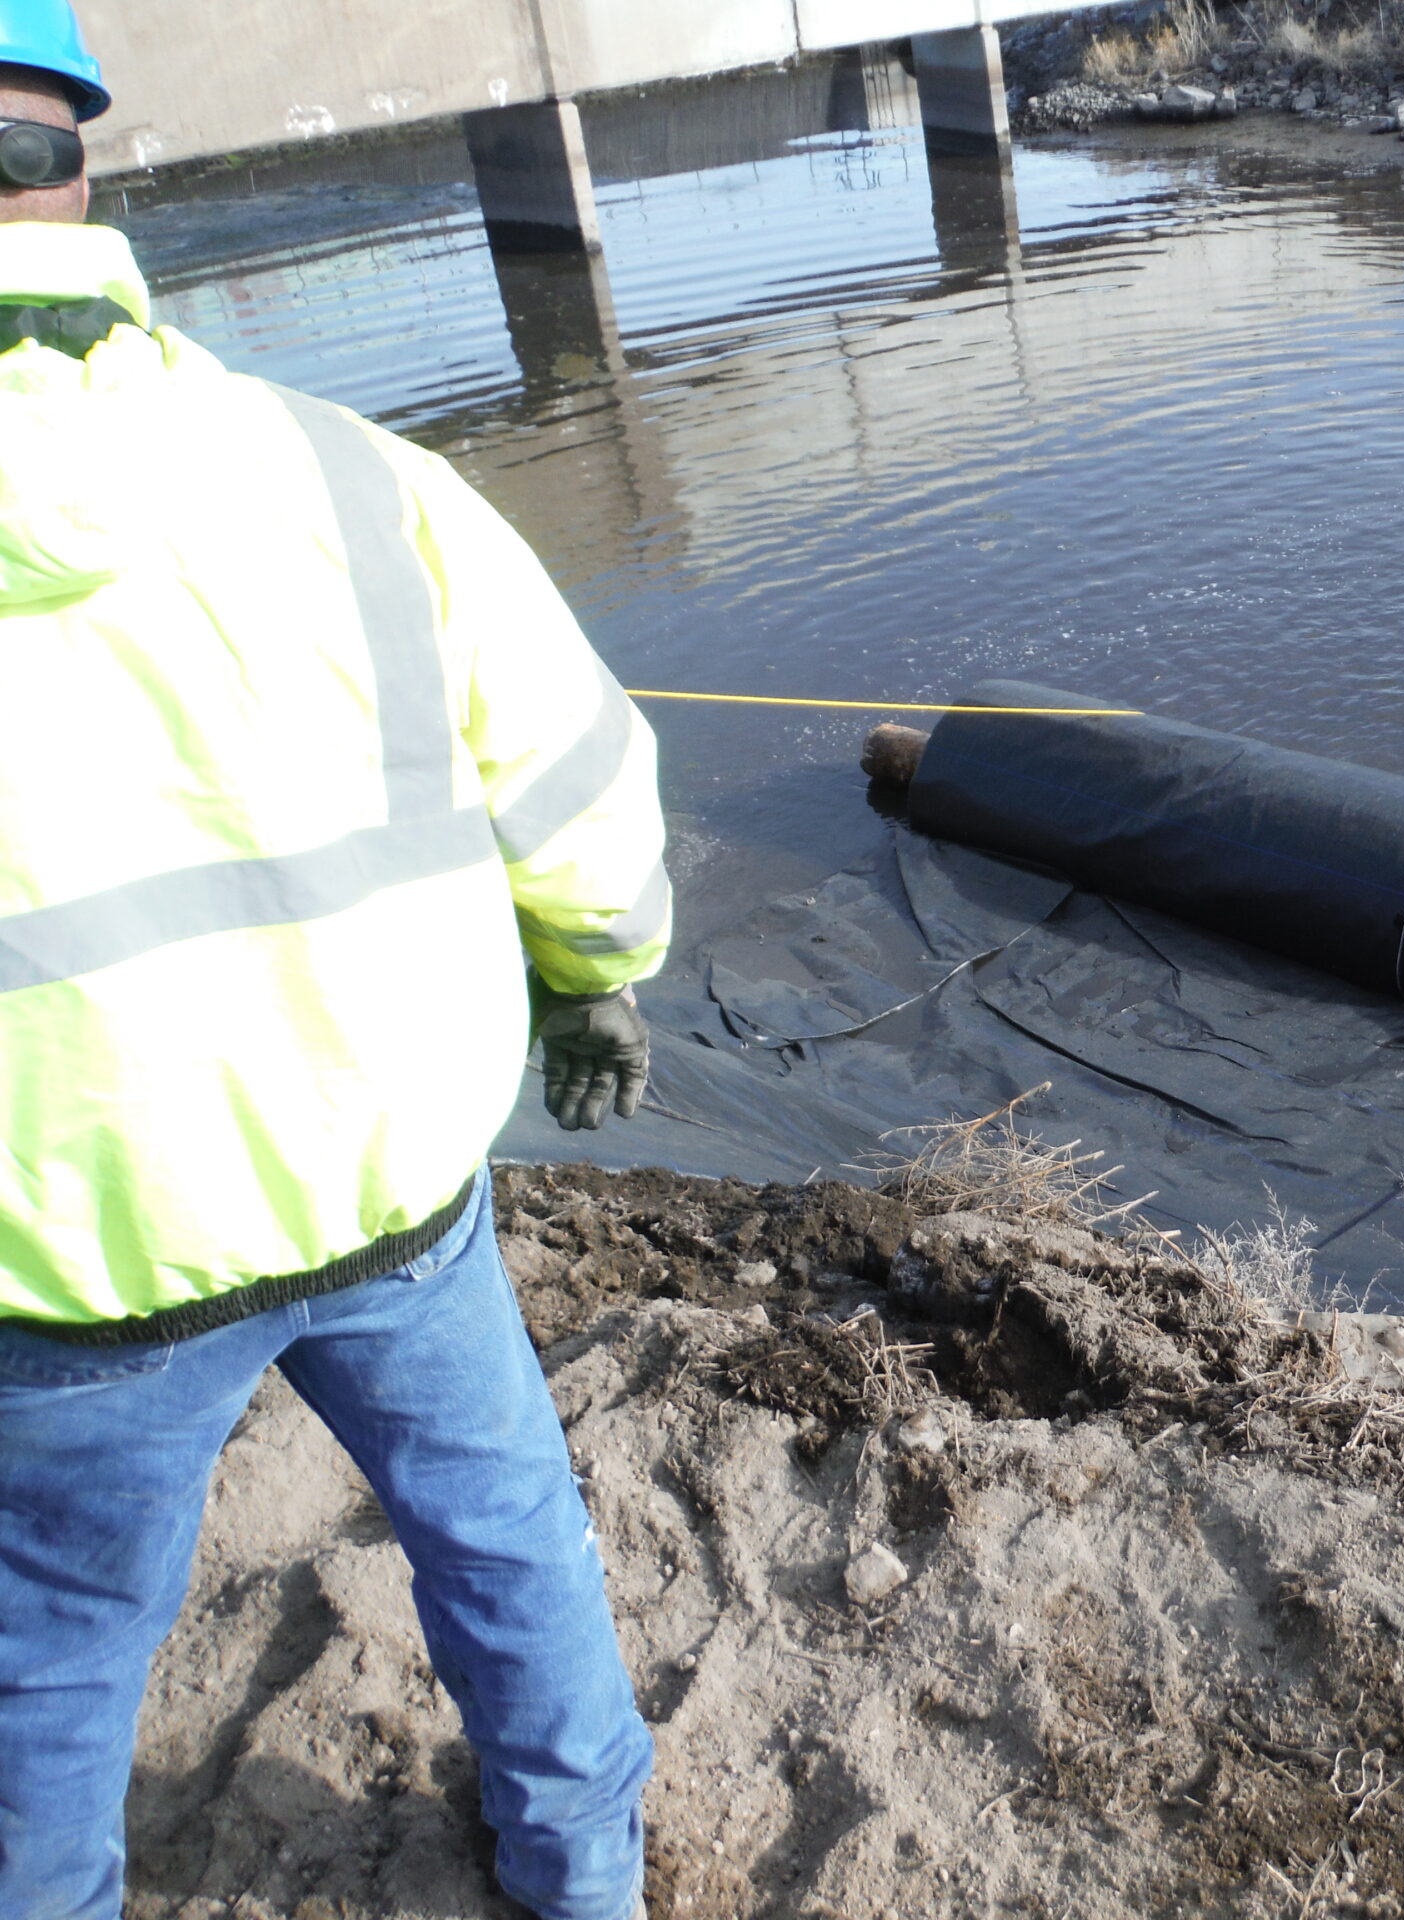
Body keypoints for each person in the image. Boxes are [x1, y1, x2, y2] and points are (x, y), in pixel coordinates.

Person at [0, 5, 667, 1915]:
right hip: (384, 1184)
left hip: (64, 1268)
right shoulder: (361, 478)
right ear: (81, 161)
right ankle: (580, 1876)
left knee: (49, 1657)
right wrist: (596, 974)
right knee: (508, 1542)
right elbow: (582, 792)